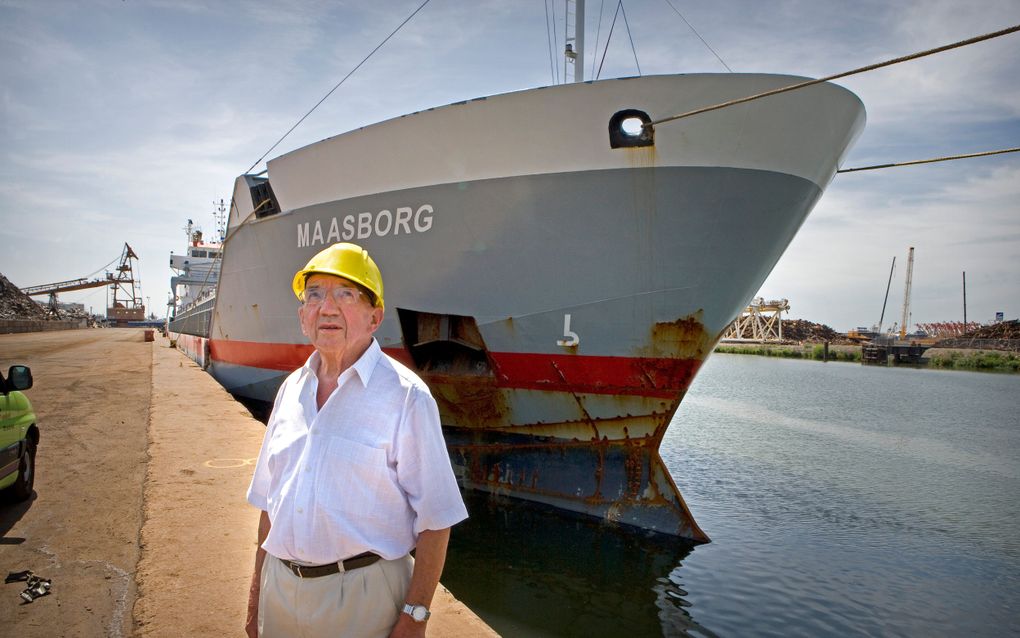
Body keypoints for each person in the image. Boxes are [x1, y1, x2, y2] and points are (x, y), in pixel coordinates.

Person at [245, 242, 468, 638]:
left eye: (345, 294)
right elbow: (269, 505)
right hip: (279, 589)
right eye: (314, 295)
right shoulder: (290, 391)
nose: (326, 308)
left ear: (375, 316)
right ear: (302, 317)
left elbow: (437, 520)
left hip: (364, 598)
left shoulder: (406, 397)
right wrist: (256, 597)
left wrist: (415, 616)